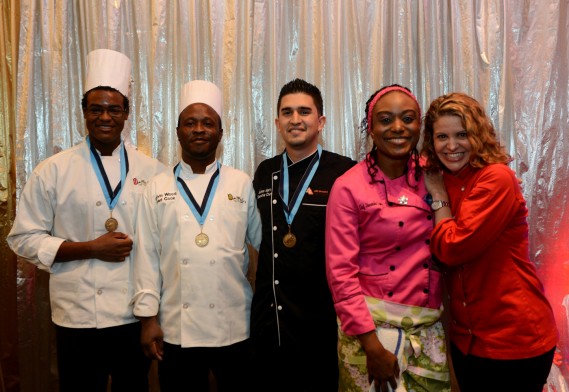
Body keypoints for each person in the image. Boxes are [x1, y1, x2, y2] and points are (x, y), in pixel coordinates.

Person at [6, 49, 166, 392]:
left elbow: (162, 243)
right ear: (84, 112)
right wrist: (90, 248)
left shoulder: (153, 172)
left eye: (114, 109)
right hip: (76, 317)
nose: (105, 116)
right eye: (96, 108)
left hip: (132, 314)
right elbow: (22, 238)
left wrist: (153, 313)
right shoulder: (53, 170)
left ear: (126, 114)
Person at [421, 92, 558, 392]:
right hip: (467, 340)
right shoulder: (441, 174)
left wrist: (438, 197)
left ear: (478, 135)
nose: (452, 146)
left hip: (514, 339)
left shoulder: (495, 178)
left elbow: (452, 248)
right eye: (442, 136)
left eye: (462, 134)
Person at [132, 79, 262, 392]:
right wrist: (148, 319)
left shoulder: (240, 183)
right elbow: (146, 256)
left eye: (208, 123)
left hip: (235, 324)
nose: (199, 129)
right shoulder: (157, 188)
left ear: (220, 131)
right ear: (178, 131)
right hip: (178, 327)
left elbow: (263, 245)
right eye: (190, 123)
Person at [325, 85, 451, 392]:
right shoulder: (348, 186)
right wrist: (371, 345)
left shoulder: (434, 175)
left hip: (428, 329)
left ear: (420, 125)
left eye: (407, 118)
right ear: (371, 127)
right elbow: (341, 274)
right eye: (385, 119)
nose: (397, 128)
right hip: (369, 332)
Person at [249, 78, 356, 391]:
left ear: (320, 121)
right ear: (277, 122)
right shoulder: (264, 172)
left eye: (304, 112)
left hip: (322, 325)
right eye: (287, 112)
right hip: (270, 324)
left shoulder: (344, 172)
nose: (295, 119)